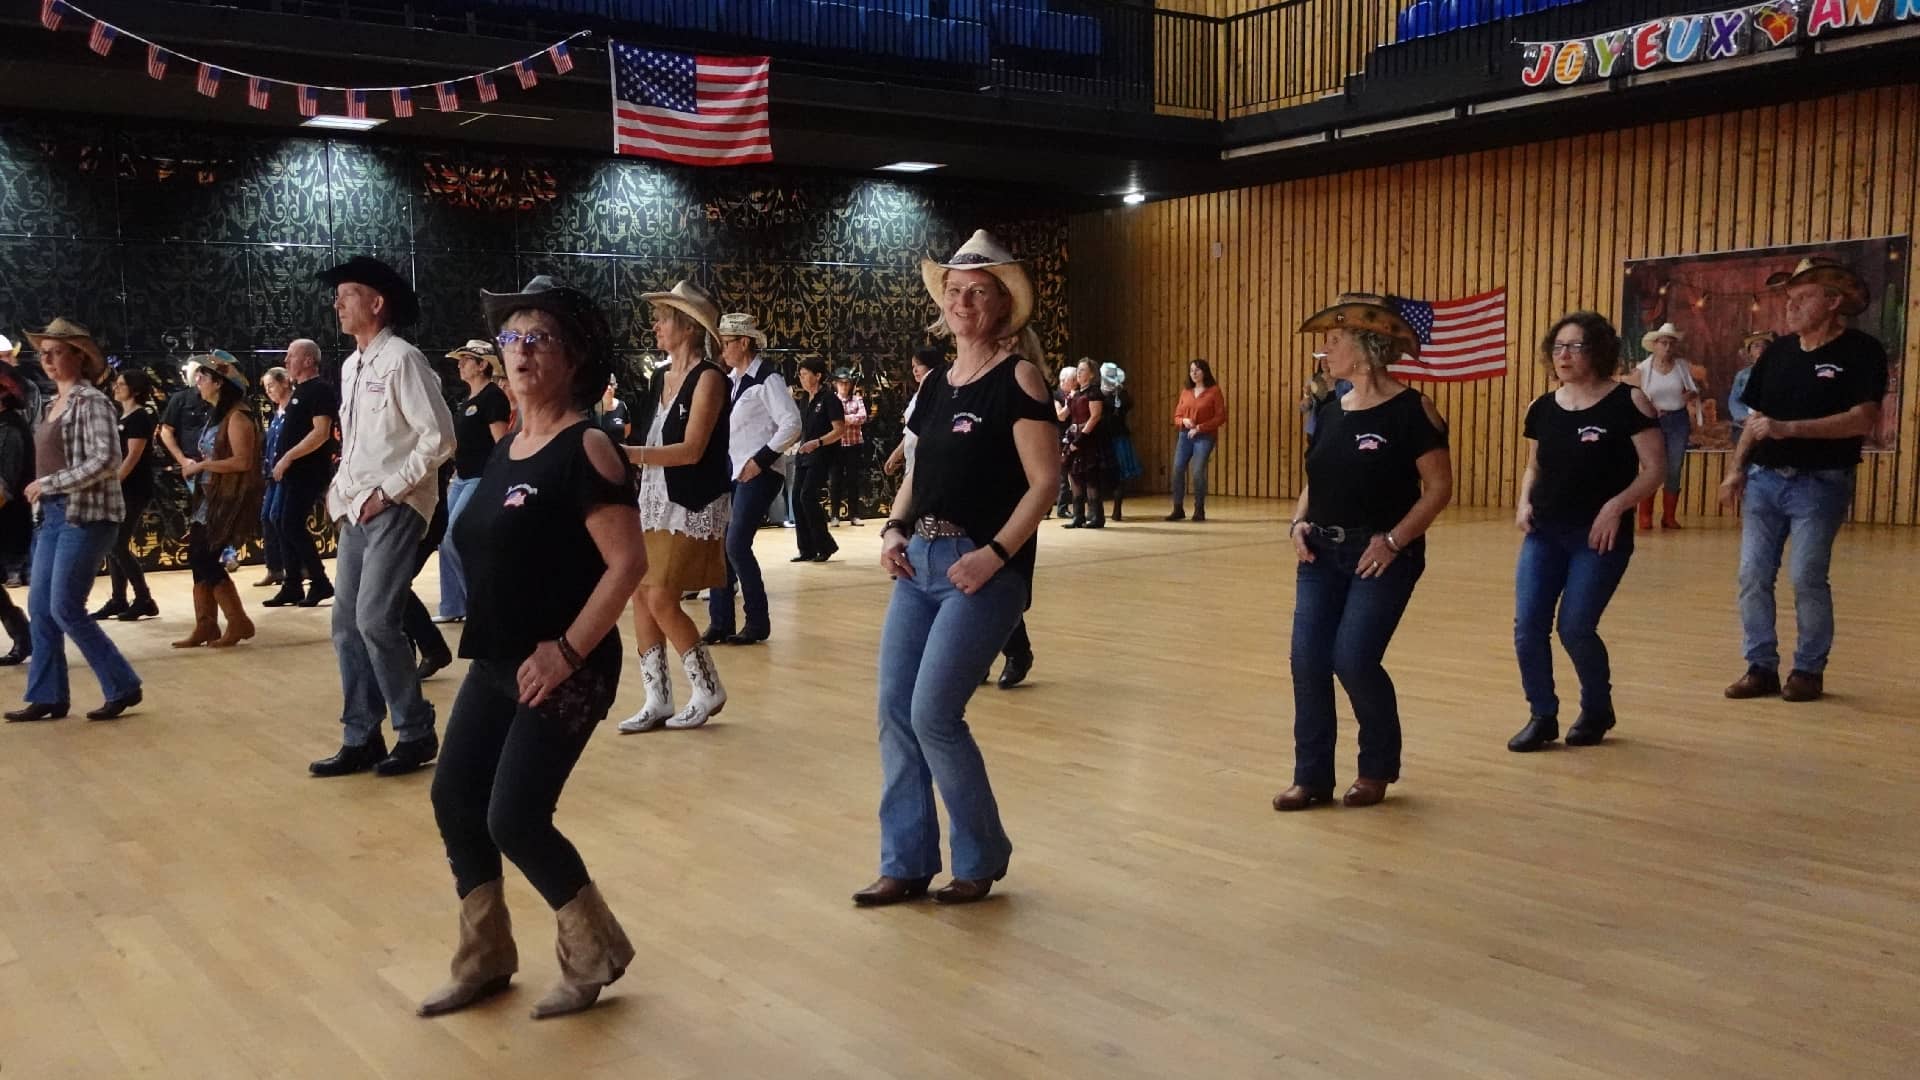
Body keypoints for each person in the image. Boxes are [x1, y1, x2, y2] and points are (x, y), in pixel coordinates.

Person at [420, 276, 646, 1021]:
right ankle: (485, 958)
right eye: (511, 339)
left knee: (514, 816)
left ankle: (595, 949)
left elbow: (627, 565)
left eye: (538, 338)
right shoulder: (512, 444)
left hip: (565, 664)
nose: (519, 352)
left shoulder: (590, 446)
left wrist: (566, 653)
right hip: (494, 660)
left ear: (575, 356)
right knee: (455, 798)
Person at [855, 229, 1058, 907]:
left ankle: (980, 856)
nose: (963, 301)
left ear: (1002, 306)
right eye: (955, 291)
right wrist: (891, 527)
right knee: (893, 709)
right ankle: (906, 861)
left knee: (934, 712)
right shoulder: (938, 383)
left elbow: (1044, 481)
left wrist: (996, 554)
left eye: (977, 292)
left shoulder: (1018, 378)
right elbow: (916, 473)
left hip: (983, 570)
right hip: (921, 564)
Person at [1275, 295, 1452, 811]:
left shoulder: (1410, 409)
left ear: (1367, 348)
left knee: (1352, 658)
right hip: (1320, 554)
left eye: (1334, 341)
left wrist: (1394, 540)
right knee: (1306, 661)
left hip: (1384, 553)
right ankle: (1311, 778)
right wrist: (1296, 522)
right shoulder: (1329, 409)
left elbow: (1439, 488)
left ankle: (1376, 768)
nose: (1325, 351)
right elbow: (1314, 480)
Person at [308, 256, 456, 779]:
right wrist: (340, 494)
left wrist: (388, 492)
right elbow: (356, 444)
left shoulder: (404, 359)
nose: (337, 302)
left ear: (376, 303)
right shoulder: (351, 366)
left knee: (374, 618)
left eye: (347, 293)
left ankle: (415, 731)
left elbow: (439, 437)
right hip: (356, 507)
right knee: (345, 625)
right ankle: (361, 735)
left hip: (395, 505)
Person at [1720, 258, 1887, 704]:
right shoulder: (1778, 353)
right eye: (1789, 298)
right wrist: (1737, 468)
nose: (1791, 305)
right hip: (1763, 481)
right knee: (1752, 574)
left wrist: (1790, 429)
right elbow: (1756, 419)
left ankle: (1808, 671)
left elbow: (1862, 419)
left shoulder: (1861, 351)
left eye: (1803, 296)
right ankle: (1760, 667)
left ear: (1833, 302)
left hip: (1821, 483)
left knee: (1806, 576)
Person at [1507, 313, 1664, 753]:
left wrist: (1616, 506)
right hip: (1544, 533)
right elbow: (1534, 467)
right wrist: (1524, 501)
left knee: (1575, 626)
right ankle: (1542, 715)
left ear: (1596, 350)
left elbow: (1655, 470)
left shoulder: (1629, 402)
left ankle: (1597, 708)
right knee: (1528, 627)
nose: (1564, 356)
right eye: (1558, 347)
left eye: (1574, 347)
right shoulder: (1541, 408)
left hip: (1598, 538)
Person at [5, 319, 142, 722]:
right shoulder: (52, 404)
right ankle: (48, 695)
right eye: (42, 352)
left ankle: (123, 685)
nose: (45, 359)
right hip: (51, 516)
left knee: (65, 606)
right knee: (41, 607)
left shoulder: (92, 401)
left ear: (78, 356)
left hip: (85, 515)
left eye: (55, 351)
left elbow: (106, 459)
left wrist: (51, 481)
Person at [615, 280, 733, 734]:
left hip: (691, 500)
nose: (656, 325)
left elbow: (691, 450)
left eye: (664, 318)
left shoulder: (710, 378)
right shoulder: (659, 378)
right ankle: (656, 698)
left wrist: (630, 455)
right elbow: (651, 438)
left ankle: (707, 687)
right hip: (654, 498)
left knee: (661, 595)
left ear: (687, 327)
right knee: (641, 593)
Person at [703, 312, 800, 646]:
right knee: (722, 544)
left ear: (745, 343)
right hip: (733, 471)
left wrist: (761, 460)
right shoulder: (732, 380)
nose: (723, 350)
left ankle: (758, 621)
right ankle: (720, 622)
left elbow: (791, 423)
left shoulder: (767, 379)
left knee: (736, 544)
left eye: (727, 343)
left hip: (759, 472)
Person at [171, 355, 265, 650]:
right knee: (198, 556)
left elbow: (242, 461)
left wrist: (202, 467)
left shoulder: (237, 417)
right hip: (210, 495)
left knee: (204, 557)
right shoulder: (219, 415)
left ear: (219, 383)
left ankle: (237, 621)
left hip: (226, 497)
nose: (197, 382)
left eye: (202, 377)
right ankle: (206, 624)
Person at [435, 340, 511, 625]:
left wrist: (498, 480)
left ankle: (478, 604)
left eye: (466, 359)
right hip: (461, 477)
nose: (460, 364)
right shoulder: (467, 399)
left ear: (483, 365)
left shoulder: (493, 398)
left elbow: (501, 442)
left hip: (481, 478)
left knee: (456, 535)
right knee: (444, 537)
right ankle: (453, 605)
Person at [262, 340, 338, 609]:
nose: (286, 361)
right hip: (291, 472)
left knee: (291, 524)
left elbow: (320, 433)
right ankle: (292, 584)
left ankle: (319, 581)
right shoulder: (298, 392)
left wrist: (288, 457)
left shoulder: (319, 390)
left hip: (307, 471)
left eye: (291, 356)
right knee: (280, 521)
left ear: (308, 360)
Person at [92, 368, 160, 622]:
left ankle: (144, 598)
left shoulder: (140, 418)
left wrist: (115, 482)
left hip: (134, 488)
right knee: (112, 544)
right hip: (121, 487)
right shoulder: (124, 415)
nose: (116, 388)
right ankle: (118, 598)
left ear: (136, 389)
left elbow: (133, 456)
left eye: (121, 384)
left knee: (117, 543)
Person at [1626, 323, 1699, 530]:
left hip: (1678, 420)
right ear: (1655, 345)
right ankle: (1645, 516)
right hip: (1652, 422)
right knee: (1651, 466)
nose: (1667, 347)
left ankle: (1669, 517)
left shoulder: (1682, 366)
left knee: (1674, 468)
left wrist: (1690, 395)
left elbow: (1693, 391)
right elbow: (1631, 393)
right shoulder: (1643, 369)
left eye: (1670, 343)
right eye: (1663, 343)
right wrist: (1647, 407)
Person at [788, 357, 844, 563]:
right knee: (796, 499)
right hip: (804, 455)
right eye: (800, 375)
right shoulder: (804, 400)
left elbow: (839, 430)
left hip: (822, 454)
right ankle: (806, 549)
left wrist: (818, 442)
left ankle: (825, 545)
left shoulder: (829, 398)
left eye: (805, 374)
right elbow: (801, 429)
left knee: (808, 497)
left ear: (818, 375)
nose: (801, 378)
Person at [0, 366, 33, 662]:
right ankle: (22, 636)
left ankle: (23, 636)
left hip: (6, 520)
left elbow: (5, 487)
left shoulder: (10, 430)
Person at [1168, 358, 1226, 522]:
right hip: (1185, 435)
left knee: (1198, 471)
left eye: (1197, 370)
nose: (1194, 373)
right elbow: (1177, 416)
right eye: (1191, 370)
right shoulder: (1186, 392)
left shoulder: (1214, 391)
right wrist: (1183, 421)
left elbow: (1221, 417)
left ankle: (1199, 509)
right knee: (1178, 469)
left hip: (1204, 436)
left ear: (1205, 372)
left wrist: (1200, 427)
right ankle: (1177, 508)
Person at [252, 366, 292, 591]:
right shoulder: (277, 414)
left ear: (285, 382)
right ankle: (274, 567)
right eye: (266, 387)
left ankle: (294, 566)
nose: (268, 391)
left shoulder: (293, 411)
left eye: (271, 385)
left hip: (287, 474)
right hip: (272, 474)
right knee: (267, 517)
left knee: (279, 518)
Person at [883, 346, 943, 484]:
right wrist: (896, 454)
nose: (914, 370)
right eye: (913, 366)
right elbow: (912, 429)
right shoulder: (919, 394)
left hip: (928, 461)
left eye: (919, 365)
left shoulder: (937, 392)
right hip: (913, 460)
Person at [1061, 357, 1108, 529]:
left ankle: (1097, 516)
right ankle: (1078, 516)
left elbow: (1094, 417)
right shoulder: (1077, 393)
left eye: (1082, 370)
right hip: (1074, 436)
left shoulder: (1094, 393)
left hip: (1088, 439)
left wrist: (1080, 440)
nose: (1078, 373)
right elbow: (1064, 416)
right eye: (1078, 370)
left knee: (1090, 477)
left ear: (1092, 374)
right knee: (1075, 476)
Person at [1100, 361, 1139, 522]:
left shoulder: (1105, 395)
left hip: (1109, 439)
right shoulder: (1122, 394)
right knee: (1118, 475)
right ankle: (1115, 510)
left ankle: (1111, 511)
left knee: (1113, 474)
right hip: (1117, 438)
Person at [830, 368, 868, 526]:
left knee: (853, 480)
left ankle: (854, 515)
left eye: (847, 383)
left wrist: (843, 419)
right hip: (836, 445)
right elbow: (830, 419)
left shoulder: (857, 399)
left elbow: (863, 417)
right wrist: (849, 419)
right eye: (841, 383)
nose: (844, 387)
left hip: (854, 444)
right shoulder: (831, 400)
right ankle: (834, 515)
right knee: (835, 480)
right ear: (836, 384)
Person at [1726, 330, 1773, 446]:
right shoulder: (1742, 376)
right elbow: (1734, 400)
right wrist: (1746, 418)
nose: (1761, 349)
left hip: (1770, 426)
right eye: (1756, 346)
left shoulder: (1778, 374)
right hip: (1744, 425)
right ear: (1750, 351)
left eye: (1765, 346)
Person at [591, 374, 629, 443]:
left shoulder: (622, 405)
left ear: (616, 386)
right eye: (607, 384)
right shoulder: (593, 407)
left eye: (611, 384)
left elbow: (627, 431)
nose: (609, 387)